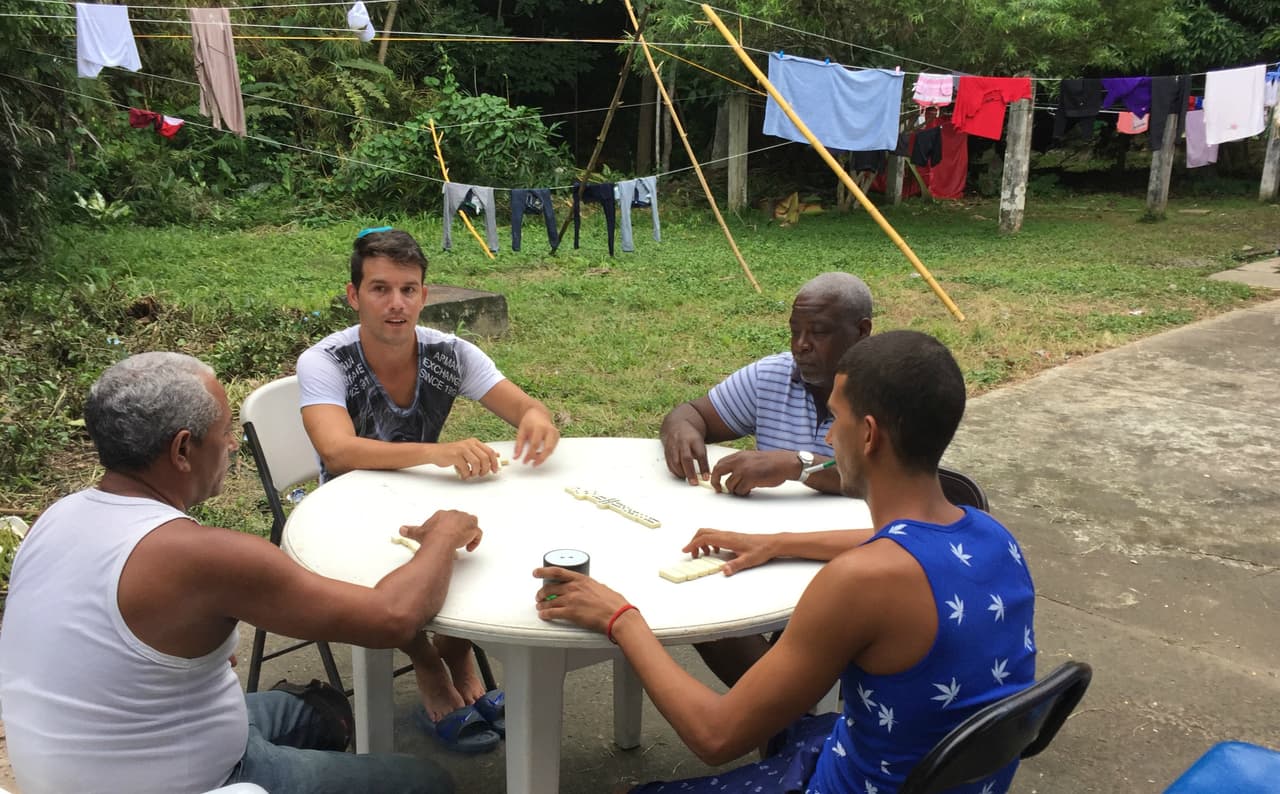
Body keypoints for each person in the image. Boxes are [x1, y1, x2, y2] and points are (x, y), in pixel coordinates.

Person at [536, 331, 1037, 794]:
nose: (825, 440)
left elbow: (714, 737)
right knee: (795, 725)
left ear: (867, 435)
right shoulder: (991, 534)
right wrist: (777, 542)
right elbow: (885, 541)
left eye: (835, 420)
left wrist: (621, 619)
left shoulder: (859, 582)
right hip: (941, 775)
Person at [0, 352, 471, 794]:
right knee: (427, 781)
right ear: (183, 449)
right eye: (225, 431)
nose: (231, 444)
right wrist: (444, 535)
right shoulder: (204, 556)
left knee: (323, 712)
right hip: (199, 779)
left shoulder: (53, 518)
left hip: (84, 767)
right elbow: (393, 617)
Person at [296, 227, 560, 747]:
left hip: (426, 499)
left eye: (408, 289)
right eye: (380, 289)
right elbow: (338, 451)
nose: (396, 304)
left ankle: (456, 648)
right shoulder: (325, 360)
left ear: (424, 294)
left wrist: (538, 420)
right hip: (346, 511)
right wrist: (437, 452)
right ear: (353, 295)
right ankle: (427, 660)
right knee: (438, 547)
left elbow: (525, 406)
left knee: (491, 537)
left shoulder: (450, 353)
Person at [660, 271, 872, 498]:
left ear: (862, 331)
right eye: (794, 332)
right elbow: (691, 414)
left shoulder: (893, 391)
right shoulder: (770, 377)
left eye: (818, 332)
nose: (800, 345)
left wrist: (797, 465)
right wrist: (680, 432)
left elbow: (895, 484)